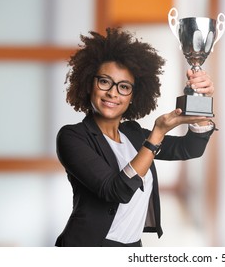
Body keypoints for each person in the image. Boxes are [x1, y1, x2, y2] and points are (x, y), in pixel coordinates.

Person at [55, 27, 216, 247]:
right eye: (104, 82)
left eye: (124, 87)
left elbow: (189, 148)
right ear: (89, 84)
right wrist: (157, 133)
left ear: (133, 96)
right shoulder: (72, 137)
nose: (113, 93)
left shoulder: (133, 134)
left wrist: (202, 103)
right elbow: (117, 190)